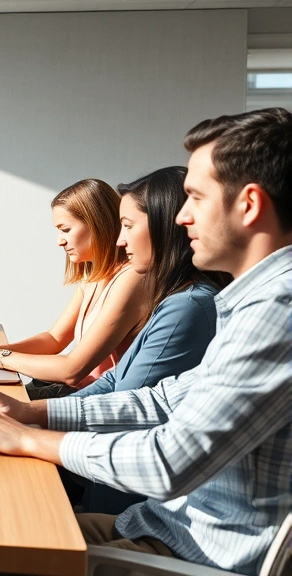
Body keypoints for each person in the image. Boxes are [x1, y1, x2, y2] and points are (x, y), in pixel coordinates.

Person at [0, 107, 292, 576]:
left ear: (249, 204)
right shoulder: (252, 301)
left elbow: (169, 461)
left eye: (194, 197)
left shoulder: (279, 309)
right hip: (162, 526)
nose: (182, 216)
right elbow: (164, 399)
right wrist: (34, 411)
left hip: (194, 555)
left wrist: (31, 439)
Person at [67, 166, 230, 514]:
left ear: (164, 225)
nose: (119, 240)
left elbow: (129, 405)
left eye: (127, 226)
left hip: (124, 499)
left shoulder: (188, 306)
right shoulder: (173, 298)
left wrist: (34, 426)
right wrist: (35, 414)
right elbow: (113, 379)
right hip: (112, 476)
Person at [0, 179, 146, 399]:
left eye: (66, 230)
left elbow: (72, 371)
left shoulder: (131, 278)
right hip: (74, 391)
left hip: (91, 400)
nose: (59, 242)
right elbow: (54, 338)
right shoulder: (92, 277)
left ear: (96, 224)